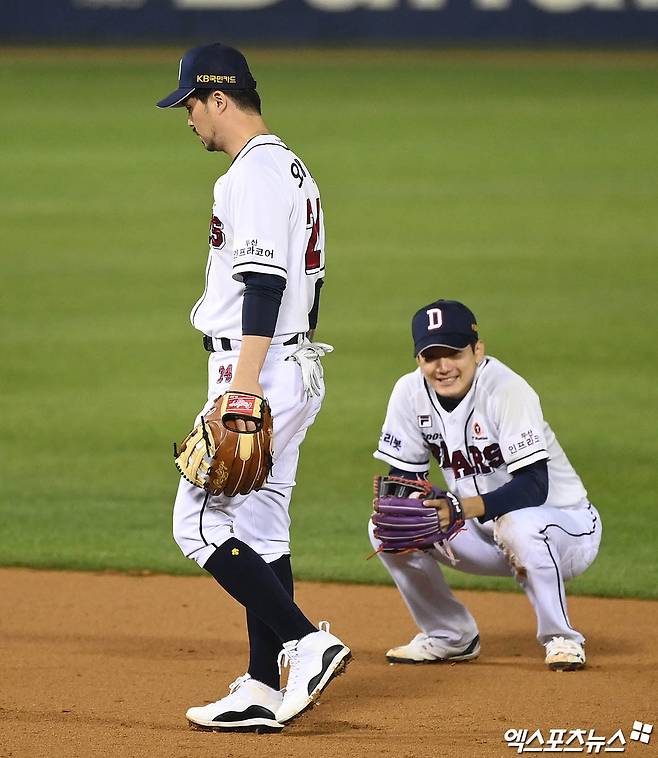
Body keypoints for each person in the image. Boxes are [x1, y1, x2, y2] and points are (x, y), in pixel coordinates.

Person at [156, 42, 350, 732]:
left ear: (219, 99)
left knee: (198, 522)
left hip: (257, 369)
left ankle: (306, 640)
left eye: (189, 105)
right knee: (263, 528)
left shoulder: (255, 174)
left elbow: (264, 284)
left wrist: (242, 388)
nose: (186, 119)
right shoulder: (286, 167)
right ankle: (264, 687)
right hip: (285, 367)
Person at [369, 299, 602, 671]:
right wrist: (409, 501)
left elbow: (533, 488)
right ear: (418, 360)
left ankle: (562, 638)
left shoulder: (507, 390)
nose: (443, 367)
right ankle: (450, 636)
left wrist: (459, 508)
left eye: (454, 353)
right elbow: (405, 479)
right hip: (481, 536)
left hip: (566, 530)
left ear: (477, 350)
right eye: (431, 357)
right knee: (388, 529)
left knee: (519, 523)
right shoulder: (409, 393)